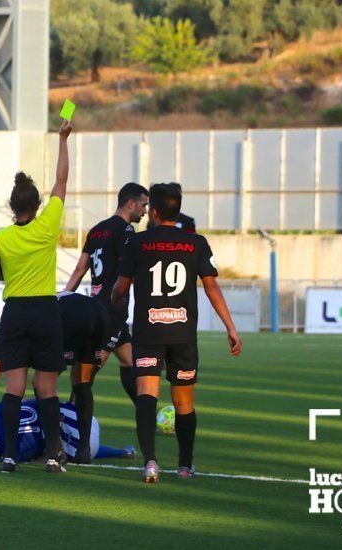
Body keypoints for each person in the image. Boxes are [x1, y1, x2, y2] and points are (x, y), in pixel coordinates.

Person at [112, 182, 242, 484]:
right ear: (177, 210)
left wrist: (115, 298)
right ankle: (185, 466)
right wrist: (231, 327)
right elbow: (211, 287)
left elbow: (121, 287)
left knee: (147, 396)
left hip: (148, 332)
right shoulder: (196, 243)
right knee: (184, 402)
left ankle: (151, 463)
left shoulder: (138, 243)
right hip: (183, 334)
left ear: (154, 211)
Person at [0, 119, 73, 474]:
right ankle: (55, 453)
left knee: (14, 386)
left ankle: (10, 455)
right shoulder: (47, 226)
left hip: (15, 312)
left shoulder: (0, 237)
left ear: (11, 206)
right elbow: (62, 180)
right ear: (37, 203)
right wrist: (62, 139)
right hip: (46, 310)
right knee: (46, 386)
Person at [0, 292, 109, 464]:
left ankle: (55, 449)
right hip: (98, 311)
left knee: (40, 384)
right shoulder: (28, 316)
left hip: (68, 318)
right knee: (82, 382)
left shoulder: (7, 339)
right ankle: (83, 450)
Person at [64, 182, 149, 403]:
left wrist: (63, 297)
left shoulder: (96, 230)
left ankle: (144, 411)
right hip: (112, 311)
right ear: (130, 204)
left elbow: (80, 269)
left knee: (130, 362)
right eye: (143, 205)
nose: (145, 211)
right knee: (87, 373)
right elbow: (127, 271)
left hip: (96, 307)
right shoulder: (127, 231)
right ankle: (70, 414)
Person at [0, 398, 135, 463]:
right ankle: (122, 452)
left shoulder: (9, 453)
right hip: (84, 417)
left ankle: (121, 452)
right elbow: (32, 400)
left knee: (52, 453)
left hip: (85, 448)